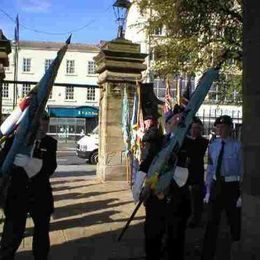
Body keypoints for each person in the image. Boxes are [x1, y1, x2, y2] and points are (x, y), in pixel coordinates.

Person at [0, 112, 57, 260]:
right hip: (18, 192)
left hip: (40, 193)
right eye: (39, 126)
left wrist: (30, 163)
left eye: (45, 126)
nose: (42, 130)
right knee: (12, 233)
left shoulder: (50, 143)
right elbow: (3, 165)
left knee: (42, 232)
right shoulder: (15, 141)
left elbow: (50, 168)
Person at [144, 105, 191, 260]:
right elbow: (146, 165)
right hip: (155, 200)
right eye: (174, 120)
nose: (178, 122)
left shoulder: (187, 144)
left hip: (176, 200)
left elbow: (185, 174)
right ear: (167, 124)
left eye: (181, 120)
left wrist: (169, 167)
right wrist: (141, 187)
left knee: (175, 240)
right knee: (152, 237)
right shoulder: (157, 142)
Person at [201, 115, 242, 260]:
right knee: (211, 222)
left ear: (230, 128)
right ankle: (207, 254)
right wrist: (207, 190)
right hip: (216, 186)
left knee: (234, 221)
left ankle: (237, 250)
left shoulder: (238, 146)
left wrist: (241, 194)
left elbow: (243, 170)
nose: (220, 130)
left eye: (223, 127)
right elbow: (211, 169)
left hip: (232, 187)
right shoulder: (213, 146)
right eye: (218, 127)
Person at [132, 115, 162, 203]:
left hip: (151, 160)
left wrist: (140, 133)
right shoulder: (148, 130)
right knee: (141, 180)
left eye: (150, 121)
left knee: (145, 180)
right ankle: (138, 197)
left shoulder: (154, 130)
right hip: (147, 159)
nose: (148, 122)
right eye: (147, 121)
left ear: (152, 122)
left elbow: (147, 138)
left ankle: (140, 198)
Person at [187, 117, 208, 228]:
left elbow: (195, 155)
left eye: (197, 128)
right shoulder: (187, 140)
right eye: (193, 128)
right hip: (187, 173)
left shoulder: (203, 141)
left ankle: (196, 219)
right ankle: (189, 216)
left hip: (196, 172)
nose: (194, 130)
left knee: (196, 198)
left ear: (200, 130)